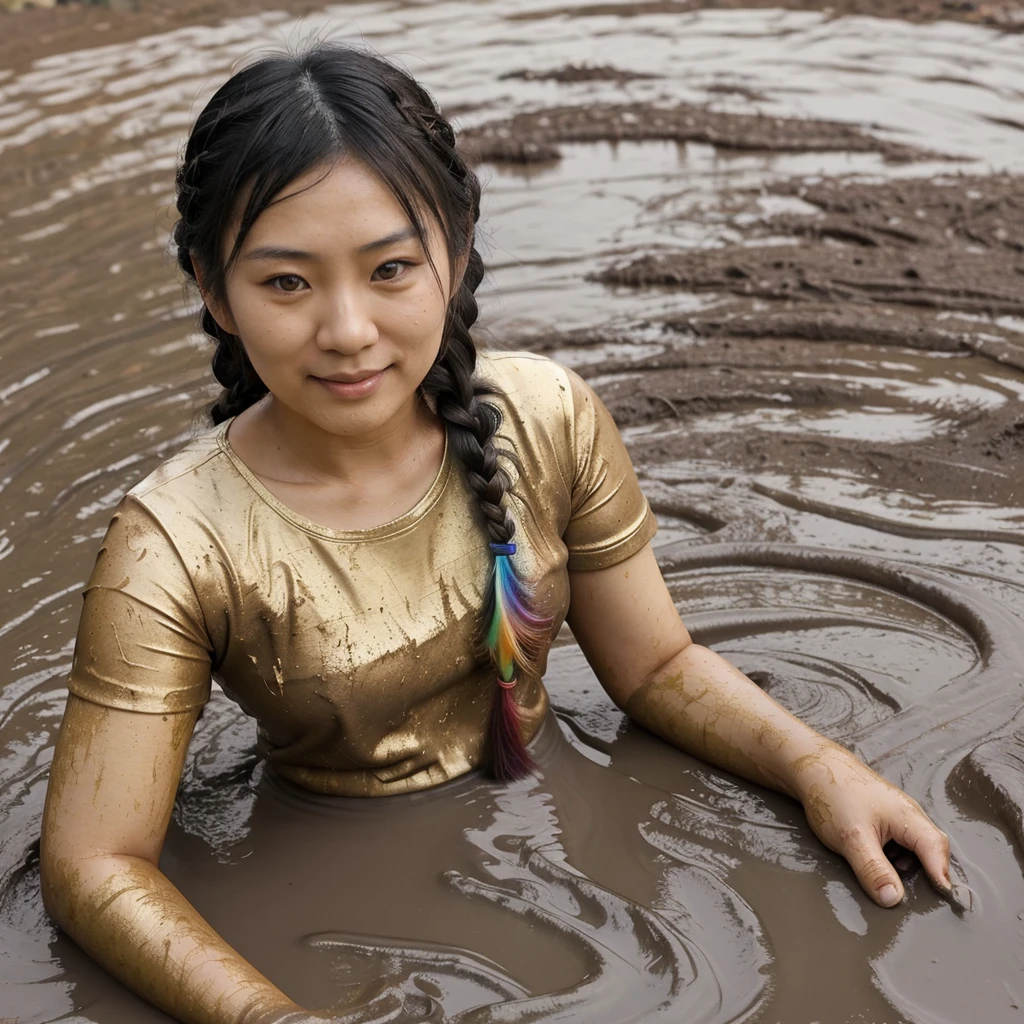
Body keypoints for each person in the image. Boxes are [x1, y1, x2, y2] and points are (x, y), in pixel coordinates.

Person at [39, 43, 952, 1024]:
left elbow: (654, 668)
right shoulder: (171, 542)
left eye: (390, 268)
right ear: (214, 292)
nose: (347, 328)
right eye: (287, 284)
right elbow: (94, 861)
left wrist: (821, 769)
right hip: (340, 913)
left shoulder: (547, 416)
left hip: (559, 841)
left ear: (458, 251)